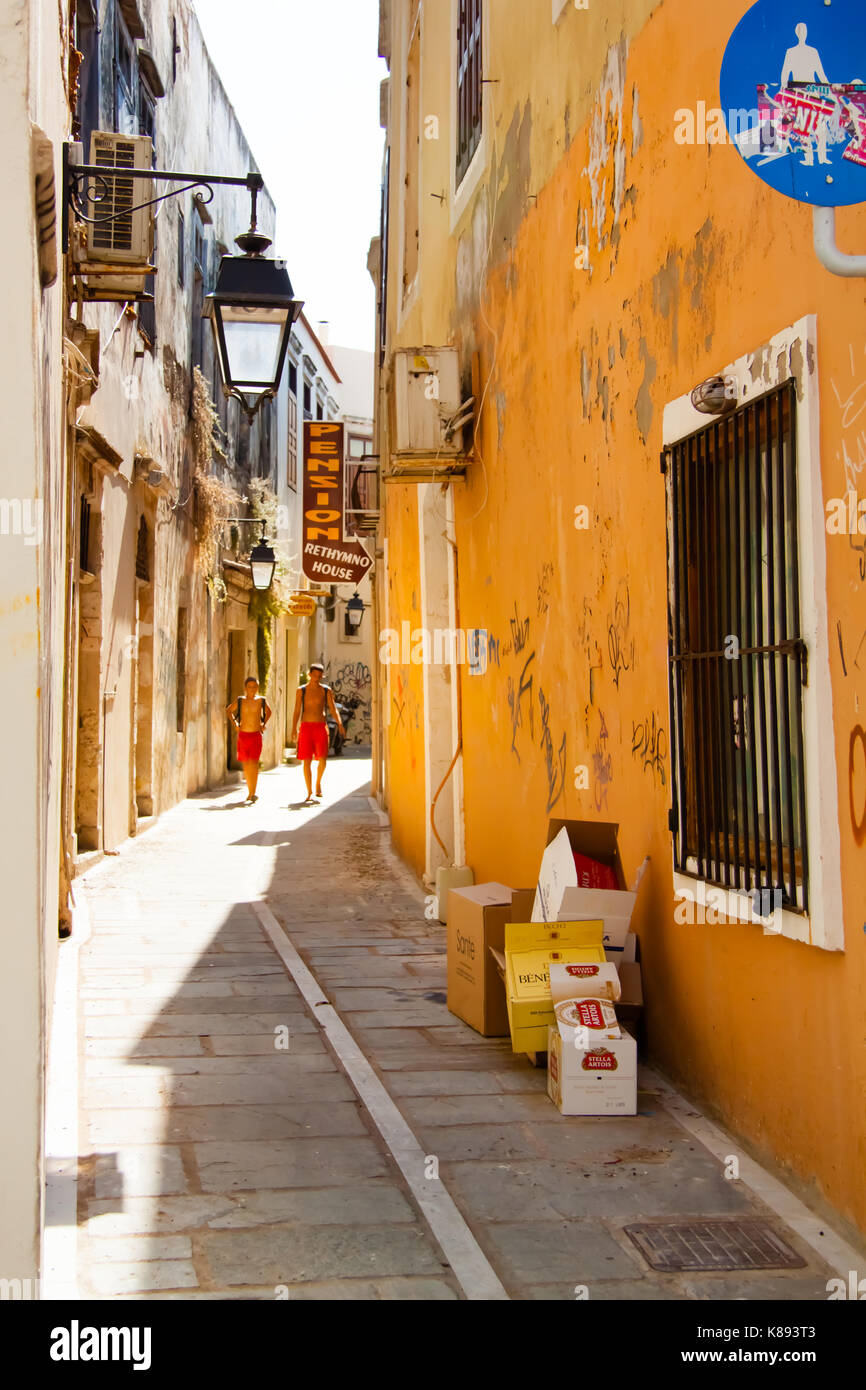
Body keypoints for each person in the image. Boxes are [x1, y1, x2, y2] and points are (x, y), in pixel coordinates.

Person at [291, 662, 344, 803]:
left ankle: (318, 782)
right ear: (309, 675)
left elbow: (333, 709)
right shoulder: (301, 690)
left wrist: (340, 723)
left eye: (319, 676)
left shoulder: (326, 690)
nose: (317, 678)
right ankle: (309, 791)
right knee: (306, 761)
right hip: (306, 727)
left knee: (322, 759)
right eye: (314, 675)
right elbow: (297, 711)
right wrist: (293, 729)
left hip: (320, 727)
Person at [226, 676, 271, 804]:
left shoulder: (261, 700)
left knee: (254, 764)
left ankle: (253, 792)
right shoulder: (241, 700)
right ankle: (250, 790)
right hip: (243, 736)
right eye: (250, 687)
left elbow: (269, 712)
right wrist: (235, 723)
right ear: (246, 688)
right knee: (246, 764)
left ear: (258, 688)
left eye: (255, 687)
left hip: (256, 735)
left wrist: (263, 723)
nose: (252, 689)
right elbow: (229, 711)